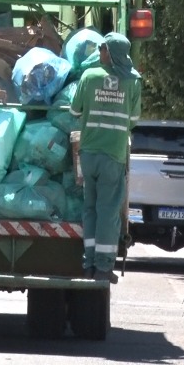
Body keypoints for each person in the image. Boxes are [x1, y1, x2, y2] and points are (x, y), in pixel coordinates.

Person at [69, 32, 142, 284]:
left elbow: (74, 109)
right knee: (108, 212)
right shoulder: (133, 82)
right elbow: (133, 120)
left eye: (102, 48)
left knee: (89, 208)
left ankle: (88, 263)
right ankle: (103, 267)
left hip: (88, 154)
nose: (99, 52)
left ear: (110, 53)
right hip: (113, 156)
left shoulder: (89, 77)